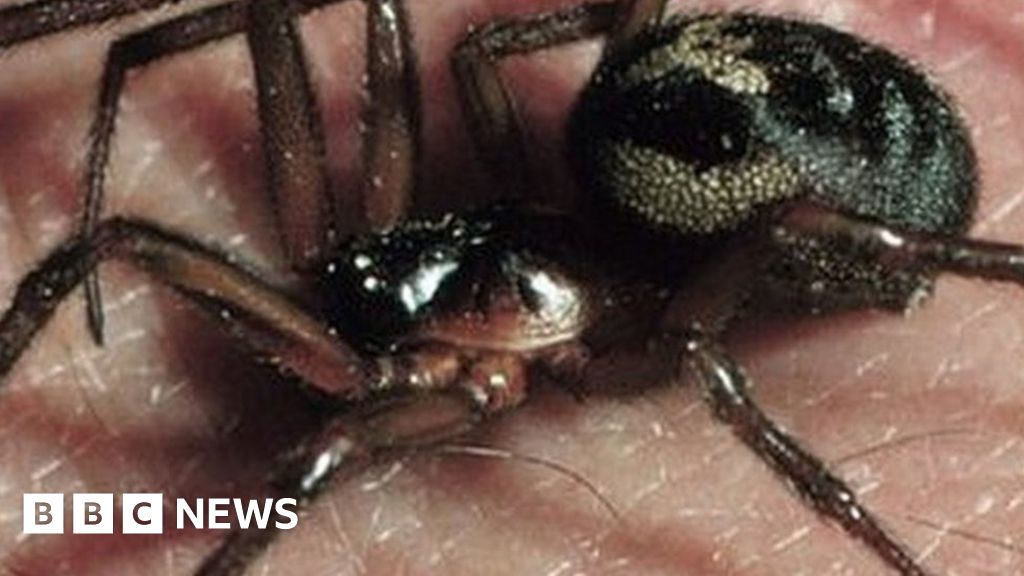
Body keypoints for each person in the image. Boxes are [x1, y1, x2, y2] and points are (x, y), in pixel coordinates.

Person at [0, 0, 1021, 573]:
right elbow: (105, 243)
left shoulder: (619, 326)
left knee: (326, 446)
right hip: (704, 149)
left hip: (822, 181)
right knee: (125, 236)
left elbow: (340, 444)